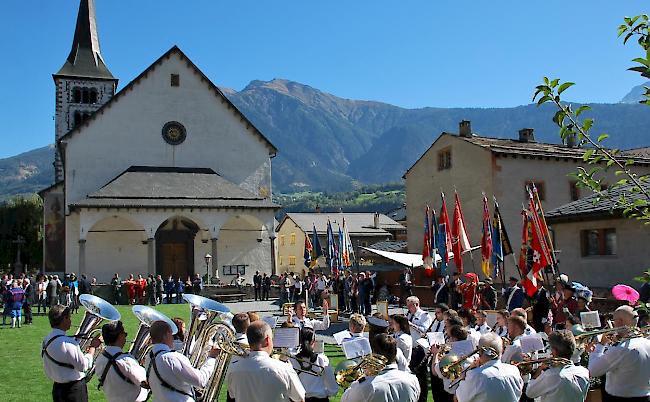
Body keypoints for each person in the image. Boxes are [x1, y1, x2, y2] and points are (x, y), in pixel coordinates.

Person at [226, 320, 306, 402]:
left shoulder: (234, 369)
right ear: (267, 339)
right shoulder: (284, 369)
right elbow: (300, 399)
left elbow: (232, 396)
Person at [588, 305, 650, 401]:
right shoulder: (647, 342)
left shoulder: (621, 349)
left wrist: (600, 346)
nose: (613, 324)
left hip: (620, 398)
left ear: (620, 321)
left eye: (614, 320)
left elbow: (593, 370)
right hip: (645, 397)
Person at [146, 320, 218, 402]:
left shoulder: (149, 357)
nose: (173, 338)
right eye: (171, 334)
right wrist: (212, 357)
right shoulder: (172, 358)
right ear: (166, 335)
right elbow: (201, 381)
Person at [42, 305, 102, 402]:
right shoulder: (68, 343)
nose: (70, 320)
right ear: (64, 319)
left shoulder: (46, 340)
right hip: (73, 390)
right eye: (69, 317)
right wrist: (93, 348)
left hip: (57, 388)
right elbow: (84, 366)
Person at [341, 333, 420, 402]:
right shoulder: (413, 379)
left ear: (373, 353)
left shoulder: (365, 386)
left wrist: (363, 377)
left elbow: (345, 400)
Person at [455, 333, 524, 402]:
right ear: (502, 350)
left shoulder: (475, 375)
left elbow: (457, 399)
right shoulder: (514, 370)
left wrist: (467, 373)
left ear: (481, 351)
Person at [525, 330, 589, 402]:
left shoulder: (551, 375)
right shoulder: (584, 372)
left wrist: (539, 370)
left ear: (554, 351)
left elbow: (529, 392)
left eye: (550, 348)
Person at [95, 321, 148, 402]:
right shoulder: (127, 360)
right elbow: (144, 382)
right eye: (125, 334)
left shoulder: (99, 359)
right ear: (120, 336)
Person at [293, 327, 339, 402]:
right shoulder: (322, 359)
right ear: (313, 342)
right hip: (319, 399)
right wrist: (322, 393)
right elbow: (333, 389)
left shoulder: (292, 359)